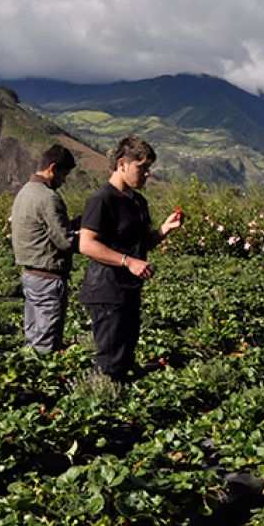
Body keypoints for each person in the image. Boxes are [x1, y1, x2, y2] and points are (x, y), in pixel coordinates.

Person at [78, 135, 183, 382]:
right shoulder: (101, 199)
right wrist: (128, 261)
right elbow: (86, 244)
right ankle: (97, 404)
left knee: (125, 356)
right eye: (142, 167)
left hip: (128, 290)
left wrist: (163, 231)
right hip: (106, 290)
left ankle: (121, 404)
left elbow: (141, 244)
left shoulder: (138, 201)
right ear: (122, 164)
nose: (147, 174)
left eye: (149, 168)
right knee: (110, 361)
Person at [11, 144, 79, 352]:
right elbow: (65, 241)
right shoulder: (48, 198)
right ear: (53, 168)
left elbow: (47, 229)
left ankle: (32, 377)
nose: (64, 180)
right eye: (64, 174)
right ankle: (45, 379)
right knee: (46, 340)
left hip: (31, 276)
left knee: (33, 335)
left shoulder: (25, 192)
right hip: (48, 278)